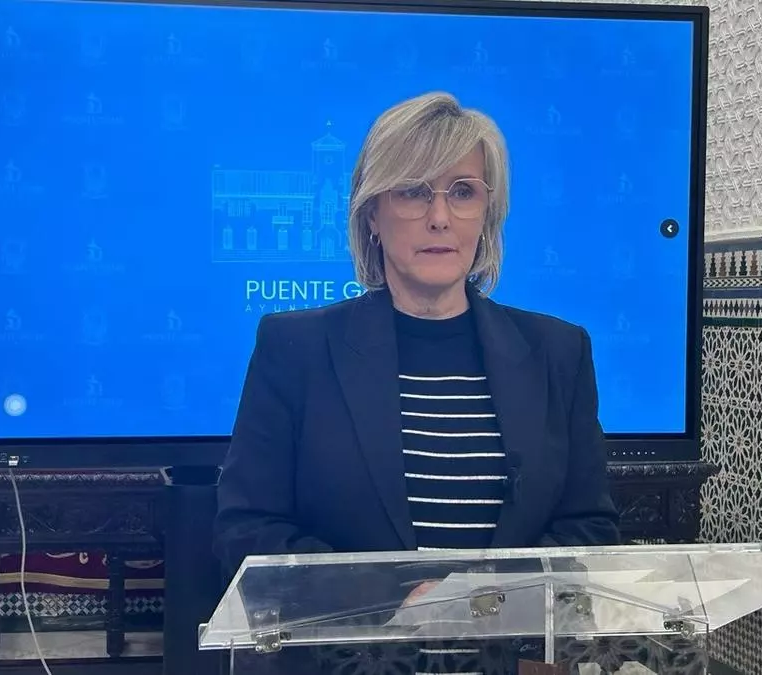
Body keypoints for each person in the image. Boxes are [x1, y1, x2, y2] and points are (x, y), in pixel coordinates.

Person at [214, 91, 620, 674]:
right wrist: (392, 598)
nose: (440, 217)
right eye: (412, 191)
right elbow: (247, 531)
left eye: (463, 191)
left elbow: (589, 530)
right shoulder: (295, 348)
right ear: (372, 215)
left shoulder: (559, 351)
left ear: (488, 213)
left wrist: (484, 600)